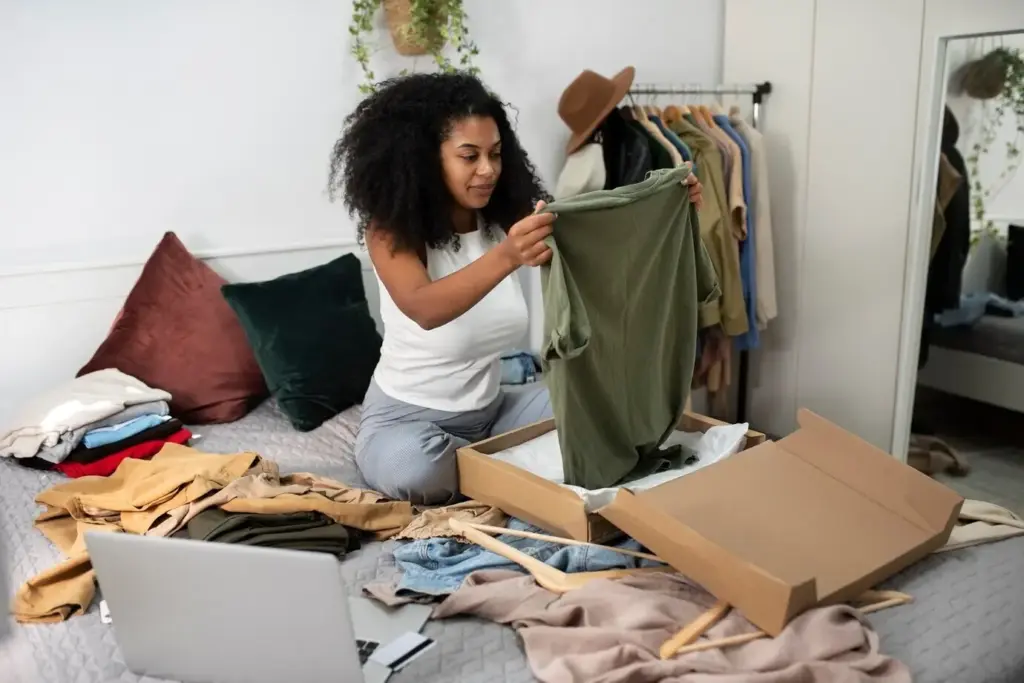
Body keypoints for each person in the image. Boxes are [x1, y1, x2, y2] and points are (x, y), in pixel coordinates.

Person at [329, 72, 703, 505]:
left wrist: (667, 203)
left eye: (495, 154)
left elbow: (601, 233)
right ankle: (494, 465)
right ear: (424, 159)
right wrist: (507, 255)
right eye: (469, 156)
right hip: (406, 421)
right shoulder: (389, 231)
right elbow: (423, 308)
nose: (487, 169)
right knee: (417, 469)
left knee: (603, 414)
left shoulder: (503, 215)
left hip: (495, 414)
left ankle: (486, 465)